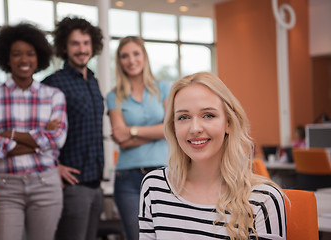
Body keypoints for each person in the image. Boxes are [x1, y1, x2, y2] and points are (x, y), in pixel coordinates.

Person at [139, 72, 286, 240]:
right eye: (183, 117)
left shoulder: (263, 199)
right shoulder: (154, 186)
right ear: (173, 127)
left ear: (228, 123)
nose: (195, 128)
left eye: (208, 115)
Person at [0, 23, 68, 240]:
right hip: (5, 187)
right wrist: (39, 139)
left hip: (46, 185)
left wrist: (10, 134)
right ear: (6, 58)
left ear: (39, 58)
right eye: (16, 54)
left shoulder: (54, 96)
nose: (24, 60)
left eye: (30, 54)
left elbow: (57, 140)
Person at [42, 17, 104, 240]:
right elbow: (38, 131)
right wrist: (54, 166)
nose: (82, 49)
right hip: (72, 185)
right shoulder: (53, 83)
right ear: (64, 47)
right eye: (75, 43)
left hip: (96, 183)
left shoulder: (93, 81)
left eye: (86, 43)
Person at [106, 36, 171, 240]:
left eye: (136, 54)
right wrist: (157, 132)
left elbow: (172, 128)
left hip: (164, 174)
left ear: (144, 57)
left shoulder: (164, 89)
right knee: (137, 237)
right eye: (125, 56)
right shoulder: (113, 95)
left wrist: (132, 131)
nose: (131, 60)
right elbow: (120, 137)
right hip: (128, 180)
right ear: (119, 61)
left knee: (168, 235)